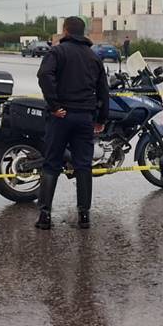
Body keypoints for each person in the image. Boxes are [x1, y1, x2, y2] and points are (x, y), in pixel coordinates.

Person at [35, 16, 109, 230]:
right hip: (85, 118)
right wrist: (101, 119)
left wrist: (54, 105)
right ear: (82, 32)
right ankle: (84, 216)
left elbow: (44, 75)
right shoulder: (94, 57)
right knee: (83, 165)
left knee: (51, 163)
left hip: (61, 117)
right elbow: (103, 90)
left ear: (66, 31)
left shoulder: (56, 52)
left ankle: (45, 216)